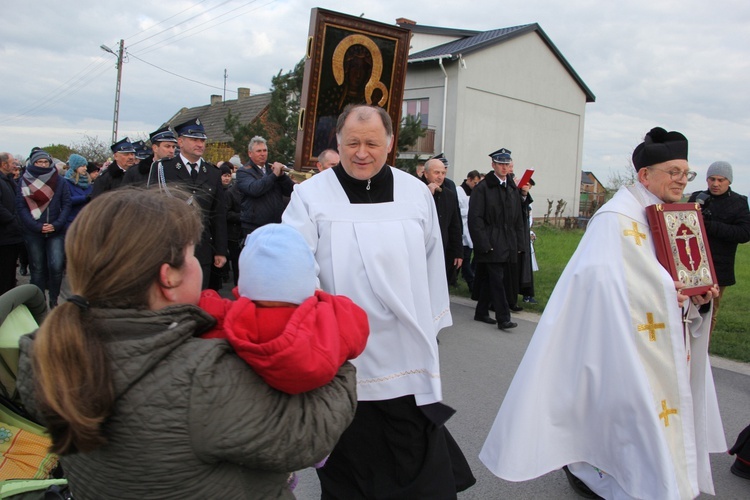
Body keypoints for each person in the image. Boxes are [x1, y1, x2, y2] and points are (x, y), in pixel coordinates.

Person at [15, 188, 358, 499]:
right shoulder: (202, 377)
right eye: (193, 254)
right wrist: (334, 344)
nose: (198, 264)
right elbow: (308, 435)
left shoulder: (50, 349)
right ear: (169, 276)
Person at [479, 127, 726, 499]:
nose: (682, 180)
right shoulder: (615, 219)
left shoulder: (676, 217)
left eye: (686, 173)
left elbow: (681, 276)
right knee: (634, 426)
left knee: (654, 426)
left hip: (666, 338)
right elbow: (598, 282)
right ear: (645, 175)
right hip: (626, 346)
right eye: (673, 171)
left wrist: (699, 295)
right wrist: (666, 294)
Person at [283, 104, 475, 499]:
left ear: (389, 143)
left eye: (372, 142)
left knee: (414, 458)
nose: (361, 152)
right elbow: (295, 270)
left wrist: (431, 329)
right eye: (352, 142)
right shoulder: (309, 196)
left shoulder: (415, 192)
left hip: (406, 351)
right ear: (337, 142)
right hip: (343, 356)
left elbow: (431, 261)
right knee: (350, 461)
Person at [198, 223, 369, 394]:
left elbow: (204, 310)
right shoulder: (330, 321)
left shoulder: (229, 323)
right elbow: (357, 320)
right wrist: (318, 296)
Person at [147, 118, 227, 289]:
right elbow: (151, 208)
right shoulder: (163, 169)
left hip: (202, 246)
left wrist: (220, 249)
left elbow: (218, 214)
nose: (200, 144)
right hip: (170, 246)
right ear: (181, 142)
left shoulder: (212, 172)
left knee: (199, 296)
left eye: (202, 140)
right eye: (194, 140)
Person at [687, 161, 750, 331]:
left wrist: (710, 225)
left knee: (709, 313)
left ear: (729, 181)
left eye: (721, 180)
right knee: (687, 310)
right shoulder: (697, 198)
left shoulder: (739, 202)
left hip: (719, 267)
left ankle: (703, 353)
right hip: (692, 264)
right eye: (712, 179)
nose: (715, 184)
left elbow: (744, 233)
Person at [468, 147, 524, 330]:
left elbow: (518, 218)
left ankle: (481, 312)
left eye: (507, 164)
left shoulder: (512, 188)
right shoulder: (483, 188)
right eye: (500, 164)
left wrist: (519, 242)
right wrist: (483, 243)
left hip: (507, 240)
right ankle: (503, 317)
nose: (504, 167)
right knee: (498, 280)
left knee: (488, 278)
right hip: (491, 241)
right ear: (493, 164)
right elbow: (475, 219)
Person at [16, 149, 71, 309]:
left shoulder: (59, 181)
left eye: (46, 162)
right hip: (34, 231)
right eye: (39, 162)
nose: (43, 165)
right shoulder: (24, 181)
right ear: (33, 163)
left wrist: (57, 224)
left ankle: (54, 300)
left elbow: (66, 203)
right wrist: (37, 226)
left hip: (56, 230)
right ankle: (38, 303)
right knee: (38, 268)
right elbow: (21, 207)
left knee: (56, 266)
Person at [236, 136, 294, 236]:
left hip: (275, 224)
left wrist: (282, 177)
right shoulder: (244, 171)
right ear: (250, 153)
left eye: (265, 150)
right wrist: (274, 175)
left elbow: (290, 192)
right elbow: (254, 189)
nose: (262, 154)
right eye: (259, 151)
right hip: (254, 226)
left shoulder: (271, 169)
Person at [424, 157, 463, 286]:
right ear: (426, 173)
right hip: (422, 247)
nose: (440, 177)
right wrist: (429, 194)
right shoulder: (418, 191)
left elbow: (455, 225)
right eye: (436, 173)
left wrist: (458, 252)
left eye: (443, 173)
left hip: (442, 248)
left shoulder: (449, 195)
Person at [0, 151, 23, 295]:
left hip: (12, 236)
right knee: (4, 275)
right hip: (4, 237)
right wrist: (13, 220)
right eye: (12, 162)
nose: (15, 165)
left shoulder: (9, 181)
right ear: (3, 164)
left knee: (9, 275)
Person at [458, 170, 481, 292]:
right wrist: (470, 213)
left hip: (470, 229)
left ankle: (454, 280)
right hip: (462, 228)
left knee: (466, 257)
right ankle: (471, 282)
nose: (476, 185)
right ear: (469, 179)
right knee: (464, 259)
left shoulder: (474, 192)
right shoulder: (459, 191)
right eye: (475, 182)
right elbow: (458, 209)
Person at [63, 154, 92, 227]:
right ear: (75, 167)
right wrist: (85, 198)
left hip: (88, 220)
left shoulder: (88, 182)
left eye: (86, 166)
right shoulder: (66, 182)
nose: (85, 168)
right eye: (82, 166)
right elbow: (66, 200)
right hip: (72, 221)